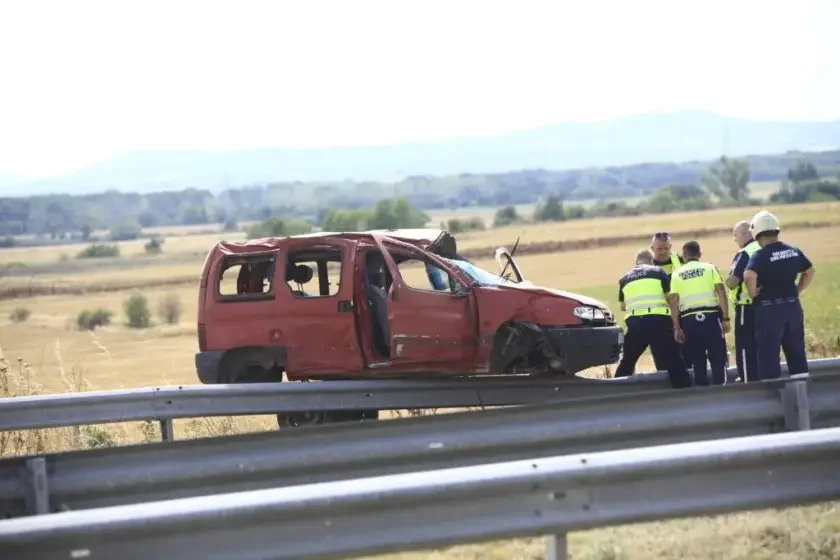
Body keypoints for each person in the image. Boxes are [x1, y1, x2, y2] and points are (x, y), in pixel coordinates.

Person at [743, 210, 815, 381]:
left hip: (769, 310)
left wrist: (753, 293)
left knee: (769, 355)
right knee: (796, 352)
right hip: (793, 308)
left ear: (757, 233)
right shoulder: (793, 250)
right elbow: (809, 271)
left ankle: (773, 401)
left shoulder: (760, 255)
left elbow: (748, 275)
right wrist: (797, 290)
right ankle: (801, 395)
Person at [614, 248, 692, 388]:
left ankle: (616, 389)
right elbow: (671, 299)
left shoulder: (624, 278)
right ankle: (684, 388)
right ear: (651, 261)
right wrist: (676, 325)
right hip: (658, 322)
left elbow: (622, 306)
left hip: (635, 324)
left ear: (636, 262)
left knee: (627, 361)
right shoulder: (658, 272)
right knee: (673, 358)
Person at [668, 241, 731, 386]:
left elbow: (673, 301)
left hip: (689, 321)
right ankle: (721, 389)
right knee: (718, 357)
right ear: (700, 254)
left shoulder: (677, 274)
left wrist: (677, 328)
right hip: (711, 318)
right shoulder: (709, 268)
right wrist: (726, 318)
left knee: (697, 360)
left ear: (684, 255)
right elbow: (721, 291)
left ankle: (702, 393)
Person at [725, 220, 761, 383]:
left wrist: (724, 282)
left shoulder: (745, 252)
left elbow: (733, 281)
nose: (735, 239)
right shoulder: (763, 248)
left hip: (746, 306)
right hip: (765, 306)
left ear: (746, 233)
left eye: (736, 235)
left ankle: (747, 378)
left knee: (745, 345)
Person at [649, 231, 688, 371]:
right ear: (652, 248)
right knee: (661, 356)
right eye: (659, 249)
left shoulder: (680, 261)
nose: (663, 252)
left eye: (666, 248)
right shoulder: (647, 266)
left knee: (685, 354)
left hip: (681, 314)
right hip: (659, 317)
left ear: (671, 246)